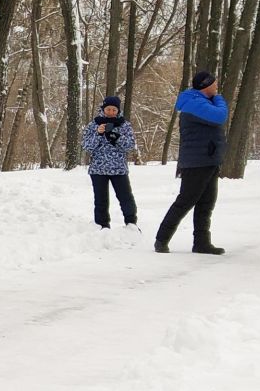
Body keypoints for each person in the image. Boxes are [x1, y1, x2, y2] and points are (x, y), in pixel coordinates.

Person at [154, 70, 227, 254]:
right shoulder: (194, 104)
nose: (217, 87)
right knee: (185, 201)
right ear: (205, 85)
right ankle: (161, 239)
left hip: (208, 159)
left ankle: (201, 243)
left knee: (206, 203)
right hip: (197, 161)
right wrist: (218, 98)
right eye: (214, 84)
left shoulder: (201, 102)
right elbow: (220, 116)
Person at [81, 95, 138, 228]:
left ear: (118, 110)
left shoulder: (125, 125)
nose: (111, 112)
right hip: (98, 169)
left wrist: (116, 136)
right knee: (100, 200)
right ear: (103, 109)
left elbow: (130, 145)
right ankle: (102, 225)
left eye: (114, 110)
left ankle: (131, 223)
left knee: (126, 197)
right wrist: (98, 134)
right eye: (108, 109)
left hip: (119, 168)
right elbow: (86, 146)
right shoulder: (94, 124)